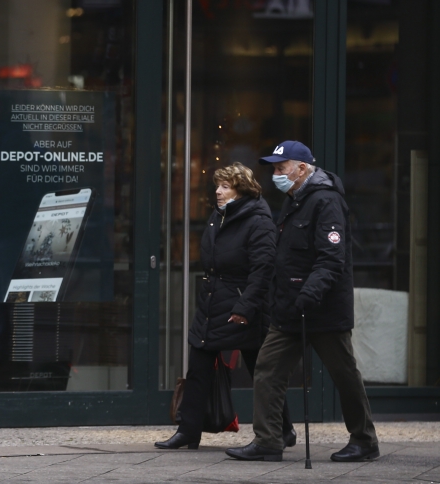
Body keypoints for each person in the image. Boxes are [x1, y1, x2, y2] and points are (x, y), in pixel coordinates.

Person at [225, 141, 379, 463]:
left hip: (322, 308)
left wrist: (310, 291)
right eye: (275, 169)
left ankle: (364, 440)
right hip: (290, 308)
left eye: (282, 168)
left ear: (303, 169)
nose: (277, 175)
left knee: (344, 373)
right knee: (267, 369)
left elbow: (331, 258)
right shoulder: (295, 200)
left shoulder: (326, 201)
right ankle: (268, 441)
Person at [155, 162, 296, 451]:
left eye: (225, 187)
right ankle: (188, 431)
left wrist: (245, 306)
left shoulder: (258, 220)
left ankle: (284, 429)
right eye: (217, 186)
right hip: (212, 302)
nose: (217, 192)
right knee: (198, 366)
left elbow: (263, 269)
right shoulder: (217, 217)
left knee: (263, 371)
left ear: (241, 190)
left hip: (244, 307)